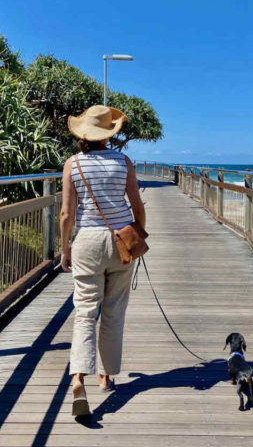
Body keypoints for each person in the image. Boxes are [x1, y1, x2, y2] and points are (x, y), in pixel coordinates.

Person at [59, 104, 146, 417]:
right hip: (120, 241)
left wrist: (65, 248)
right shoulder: (124, 162)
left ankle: (78, 377)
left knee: (84, 311)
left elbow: (67, 213)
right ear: (109, 134)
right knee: (113, 311)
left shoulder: (73, 164)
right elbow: (136, 205)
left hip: (87, 242)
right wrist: (139, 235)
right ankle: (105, 377)